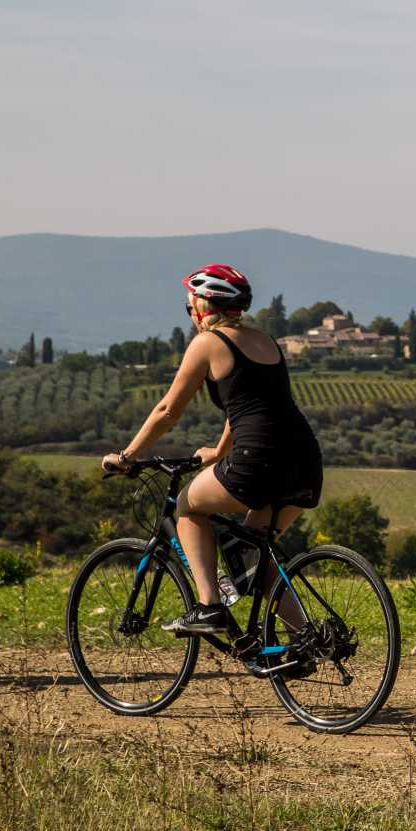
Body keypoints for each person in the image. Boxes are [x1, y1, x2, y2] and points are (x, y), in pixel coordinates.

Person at [102, 264, 323, 635]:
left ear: (205, 305)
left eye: (190, 306)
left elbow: (168, 410)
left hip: (259, 460)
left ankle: (209, 608)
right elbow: (249, 405)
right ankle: (307, 640)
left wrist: (127, 457)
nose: (190, 314)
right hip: (304, 459)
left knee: (187, 508)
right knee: (256, 559)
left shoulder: (208, 343)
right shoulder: (266, 341)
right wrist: (220, 451)